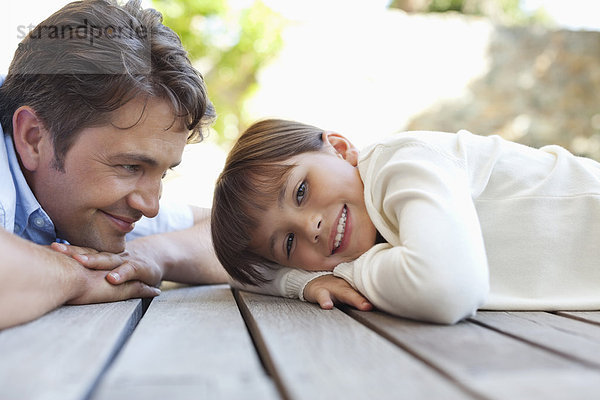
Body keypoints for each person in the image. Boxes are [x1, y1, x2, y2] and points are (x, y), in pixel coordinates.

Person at [0, 0, 369, 330]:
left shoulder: (86, 202)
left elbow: (227, 235)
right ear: (34, 137)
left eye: (162, 173)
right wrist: (75, 275)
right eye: (130, 167)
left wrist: (149, 255)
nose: (151, 205)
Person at [211, 119, 600, 324]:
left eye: (300, 191)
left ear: (341, 149)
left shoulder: (402, 160)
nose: (310, 226)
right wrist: (304, 282)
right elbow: (249, 273)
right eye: (289, 243)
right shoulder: (363, 222)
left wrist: (347, 272)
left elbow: (447, 291)